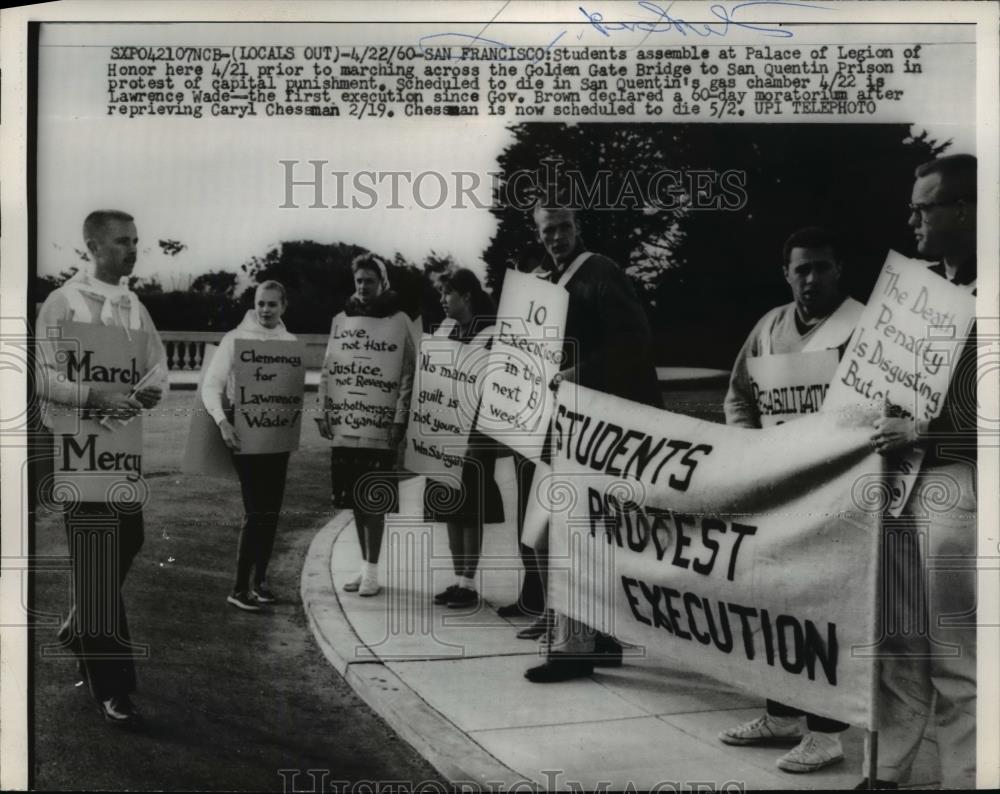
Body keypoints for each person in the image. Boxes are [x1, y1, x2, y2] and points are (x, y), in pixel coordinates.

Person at [718, 227, 864, 773]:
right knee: (775, 603)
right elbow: (739, 394)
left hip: (837, 492)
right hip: (780, 488)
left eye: (821, 267)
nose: (811, 278)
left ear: (839, 269)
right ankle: (782, 714)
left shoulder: (862, 325)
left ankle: (827, 733)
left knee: (826, 612)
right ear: (786, 273)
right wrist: (752, 445)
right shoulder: (769, 326)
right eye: (800, 269)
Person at [858, 154, 978, 790]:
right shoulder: (919, 288)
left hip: (961, 485)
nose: (912, 219)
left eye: (924, 207)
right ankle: (887, 772)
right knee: (898, 647)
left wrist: (926, 432)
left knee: (959, 658)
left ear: (964, 209)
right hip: (898, 485)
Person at [523, 196, 663, 683]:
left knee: (568, 534)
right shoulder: (542, 284)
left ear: (577, 225)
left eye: (563, 227)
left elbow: (634, 342)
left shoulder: (600, 271)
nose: (556, 237)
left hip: (599, 427)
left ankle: (574, 649)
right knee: (546, 533)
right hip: (557, 425)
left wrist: (576, 373)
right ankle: (596, 635)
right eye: (547, 231)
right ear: (537, 233)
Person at [38, 210, 167, 727]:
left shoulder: (135, 308)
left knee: (129, 542)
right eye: (120, 242)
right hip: (78, 451)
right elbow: (43, 376)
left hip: (122, 454)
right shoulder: (62, 303)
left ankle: (77, 624)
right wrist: (95, 394)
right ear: (92, 245)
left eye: (136, 242)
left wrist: (147, 393)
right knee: (96, 571)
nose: (132, 251)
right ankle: (112, 690)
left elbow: (157, 367)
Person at [318, 254, 415, 597]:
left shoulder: (399, 321)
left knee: (374, 500)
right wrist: (323, 409)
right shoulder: (341, 321)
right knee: (355, 501)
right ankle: (364, 568)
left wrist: (399, 420)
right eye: (358, 280)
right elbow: (329, 368)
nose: (363, 287)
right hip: (347, 423)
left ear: (382, 282)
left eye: (369, 281)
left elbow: (406, 374)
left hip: (379, 426)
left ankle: (373, 571)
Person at [201, 280, 297, 611]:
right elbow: (211, 386)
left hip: (276, 440)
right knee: (255, 511)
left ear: (284, 306)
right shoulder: (235, 339)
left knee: (270, 512)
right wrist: (221, 421)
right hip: (243, 434)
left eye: (272, 304)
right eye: (261, 303)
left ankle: (260, 582)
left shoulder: (290, 343)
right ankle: (239, 587)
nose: (266, 309)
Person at [424, 268, 504, 609]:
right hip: (446, 428)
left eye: (448, 293)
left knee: (470, 507)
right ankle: (458, 579)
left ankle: (469, 583)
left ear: (467, 296)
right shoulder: (443, 331)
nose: (442, 300)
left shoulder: (490, 334)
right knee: (449, 505)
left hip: (475, 431)